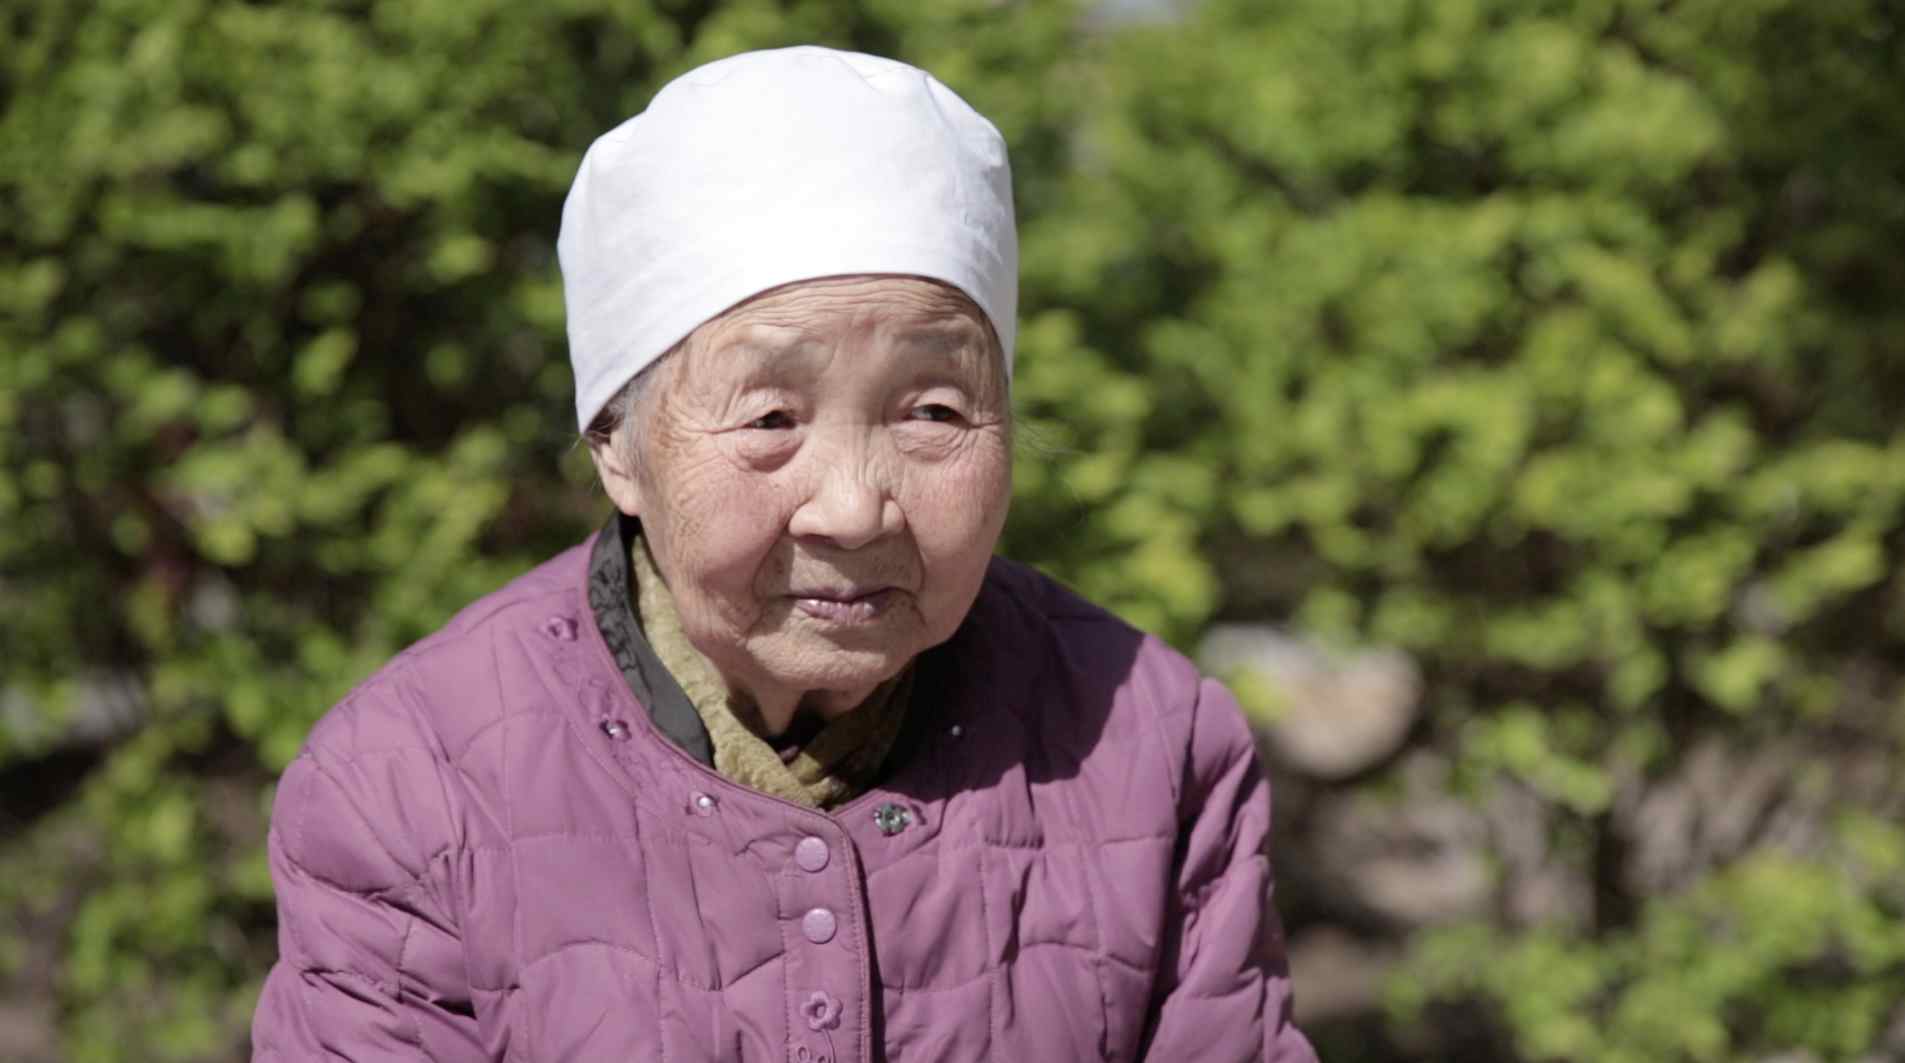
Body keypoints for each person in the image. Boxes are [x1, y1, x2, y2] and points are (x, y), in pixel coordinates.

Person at [251, 46, 1315, 1062]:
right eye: (770, 418)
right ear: (616, 445)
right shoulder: (411, 785)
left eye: (933, 409)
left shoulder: (1150, 744)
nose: (852, 510)